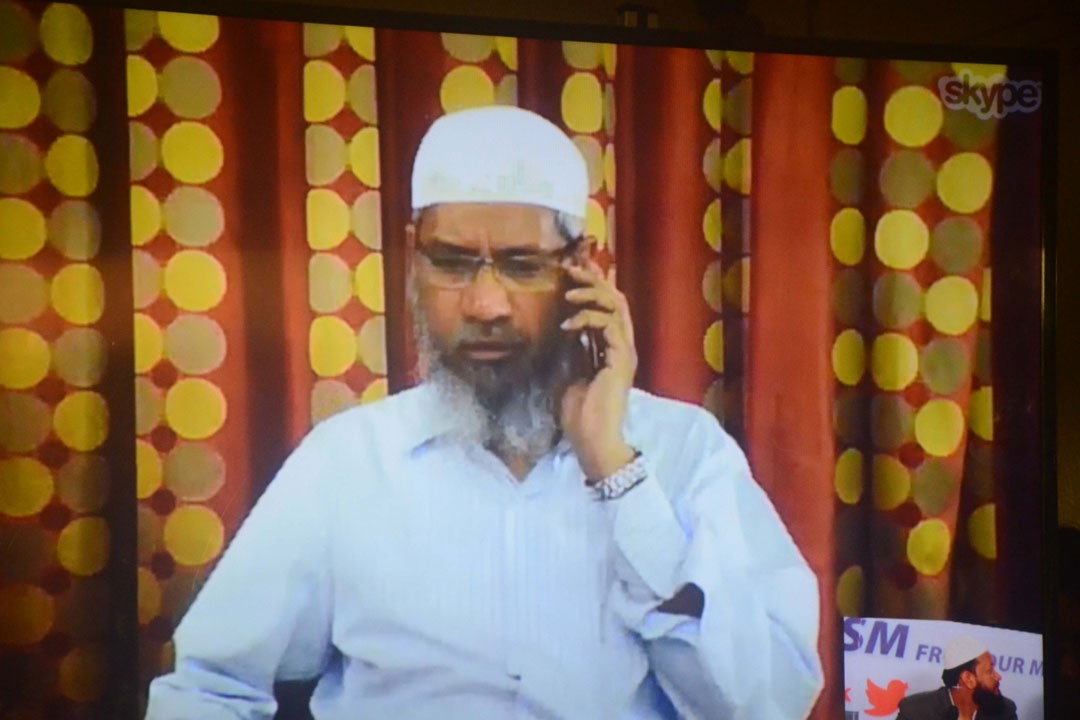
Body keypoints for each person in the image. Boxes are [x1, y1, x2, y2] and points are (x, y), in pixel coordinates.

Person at [145, 105, 824, 719]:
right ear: (413, 260)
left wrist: (616, 472)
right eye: (453, 263)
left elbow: (766, 705)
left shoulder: (684, 452)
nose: (485, 305)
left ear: (581, 267)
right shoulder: (346, 462)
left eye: (522, 266)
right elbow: (207, 687)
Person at [896, 636, 1017, 720]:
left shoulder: (1005, 712)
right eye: (990, 671)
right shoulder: (916, 712)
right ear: (968, 678)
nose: (998, 677)